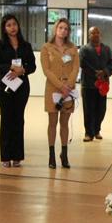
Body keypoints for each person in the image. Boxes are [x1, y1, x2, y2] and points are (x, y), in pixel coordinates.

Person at [0, 13, 36, 167]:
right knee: (6, 119)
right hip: (5, 86)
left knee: (18, 119)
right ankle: (5, 157)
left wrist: (22, 70)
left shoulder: (26, 45)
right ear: (4, 28)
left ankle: (17, 156)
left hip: (22, 86)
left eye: (14, 24)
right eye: (9, 25)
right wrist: (10, 67)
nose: (12, 28)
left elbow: (33, 66)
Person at [40, 17, 79, 169]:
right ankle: (51, 155)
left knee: (64, 123)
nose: (63, 31)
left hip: (68, 90)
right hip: (53, 89)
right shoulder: (46, 48)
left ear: (68, 32)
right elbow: (46, 70)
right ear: (55, 29)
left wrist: (68, 86)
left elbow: (76, 68)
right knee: (52, 123)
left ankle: (64, 153)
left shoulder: (73, 48)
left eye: (66, 29)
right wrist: (60, 86)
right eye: (60, 27)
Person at [79, 26, 112, 141]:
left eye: (97, 33)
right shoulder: (84, 49)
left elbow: (111, 64)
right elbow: (83, 64)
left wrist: (104, 73)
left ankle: (97, 130)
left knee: (101, 110)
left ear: (100, 35)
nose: (96, 35)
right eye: (93, 33)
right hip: (89, 85)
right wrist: (96, 74)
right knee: (88, 110)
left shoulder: (107, 49)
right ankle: (88, 133)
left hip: (103, 85)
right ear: (89, 36)